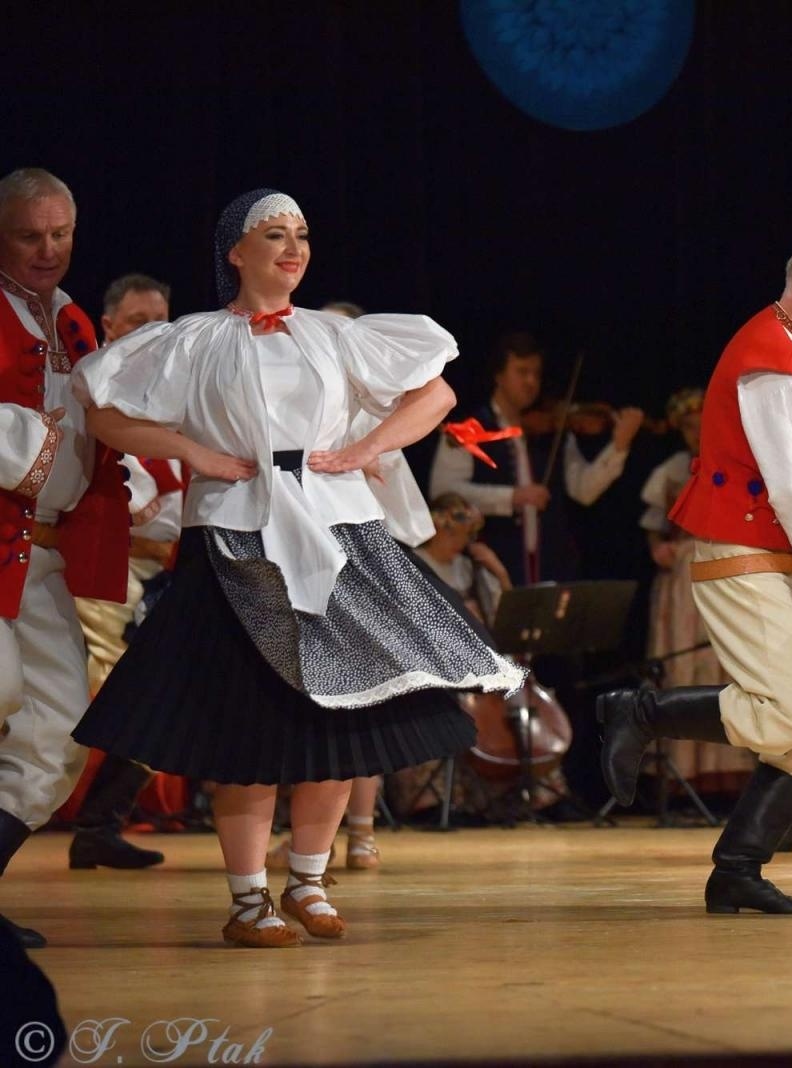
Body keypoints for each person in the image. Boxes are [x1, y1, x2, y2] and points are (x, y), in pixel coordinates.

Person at [71, 188, 524, 947]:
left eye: (302, 235)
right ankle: (250, 900)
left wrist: (365, 449)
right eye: (274, 235)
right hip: (235, 533)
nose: (292, 248)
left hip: (336, 528)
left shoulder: (333, 336)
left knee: (339, 718)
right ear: (236, 252)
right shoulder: (193, 339)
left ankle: (309, 881)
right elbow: (101, 409)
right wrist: (191, 453)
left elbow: (437, 391)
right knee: (245, 730)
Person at [598, 233, 792, 914]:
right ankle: (640, 712)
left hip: (779, 558)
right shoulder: (773, 360)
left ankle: (737, 868)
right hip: (743, 554)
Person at [0, 168, 129, 947]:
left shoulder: (74, 320)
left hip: (37, 550)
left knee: (57, 729)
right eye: (28, 235)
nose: (48, 250)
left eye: (61, 234)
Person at [69, 273, 180, 871]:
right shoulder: (94, 392)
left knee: (163, 700)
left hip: (166, 577)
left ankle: (98, 826)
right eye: (138, 322)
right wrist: (140, 535)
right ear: (107, 326)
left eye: (161, 321)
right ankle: (88, 824)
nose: (153, 334)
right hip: (109, 575)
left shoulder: (177, 396)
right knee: (125, 697)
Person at [428, 333, 643, 585]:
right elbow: (443, 492)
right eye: (522, 371)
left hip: (551, 567)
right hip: (489, 571)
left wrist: (618, 447)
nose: (531, 381)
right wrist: (512, 497)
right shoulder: (467, 432)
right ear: (499, 375)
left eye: (536, 373)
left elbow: (584, 489)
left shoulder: (553, 431)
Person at [638, 388, 755, 802]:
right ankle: (684, 774)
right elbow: (653, 525)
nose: (693, 431)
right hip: (684, 577)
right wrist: (658, 547)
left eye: (699, 423)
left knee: (723, 664)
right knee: (685, 663)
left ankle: (728, 772)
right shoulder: (672, 470)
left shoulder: (730, 464)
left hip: (724, 567)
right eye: (686, 425)